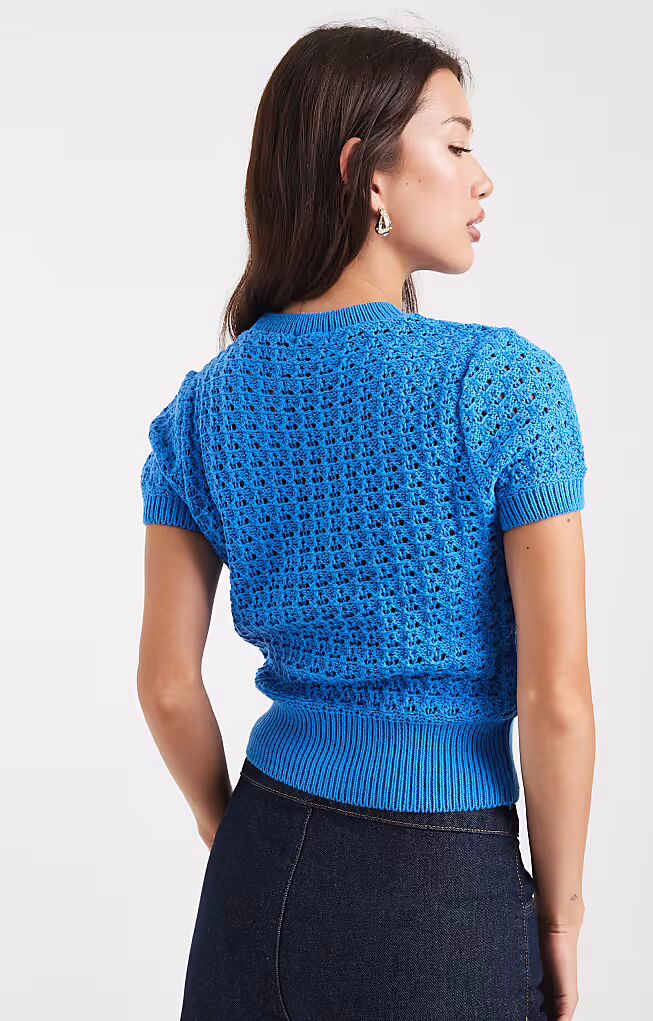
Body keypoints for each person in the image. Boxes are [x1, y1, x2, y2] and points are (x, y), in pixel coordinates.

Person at [137, 22, 594, 1021]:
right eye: (456, 143)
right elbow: (555, 696)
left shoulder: (200, 410)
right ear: (366, 172)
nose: (481, 179)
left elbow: (167, 686)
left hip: (257, 876)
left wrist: (231, 834)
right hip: (437, 896)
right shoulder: (501, 386)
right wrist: (558, 920)